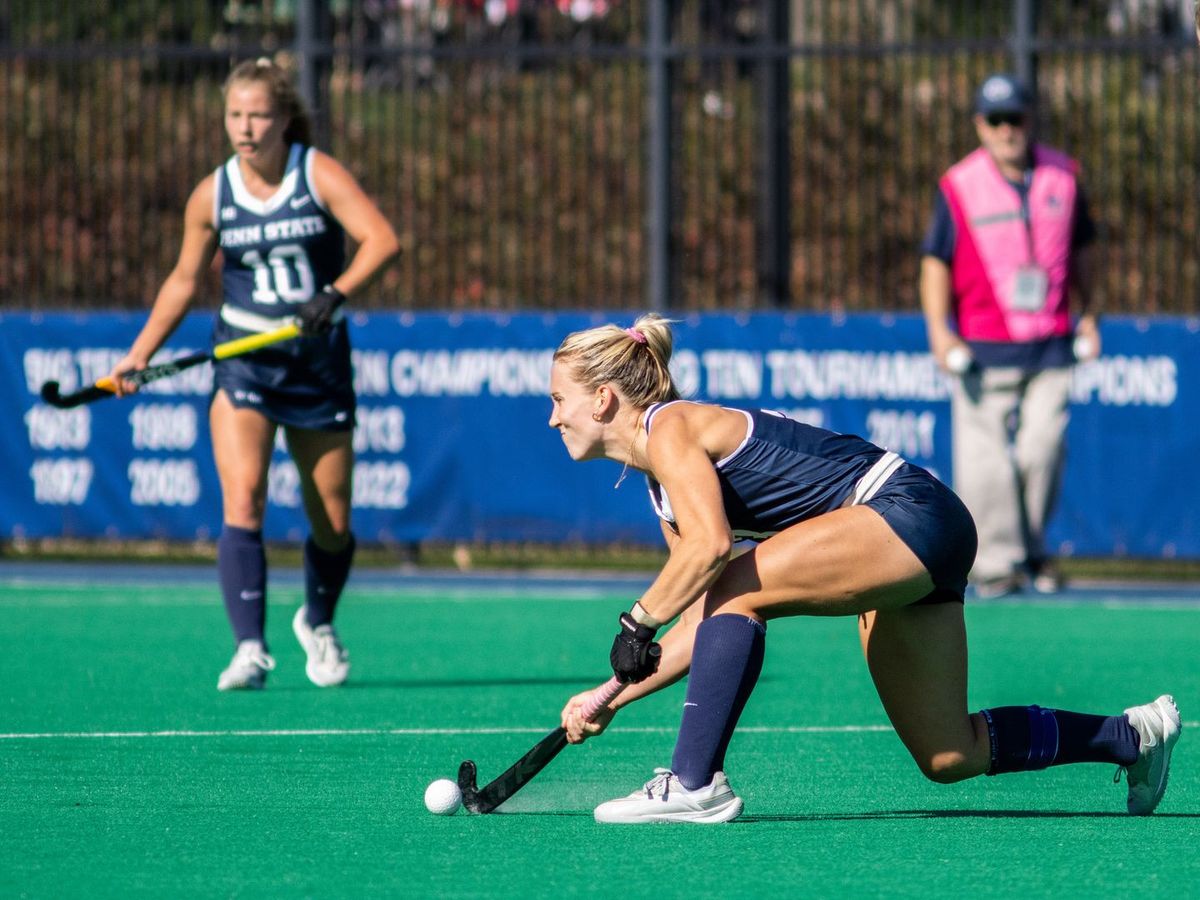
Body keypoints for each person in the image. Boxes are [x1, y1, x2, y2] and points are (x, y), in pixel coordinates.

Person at [553, 313, 1179, 824]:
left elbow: (714, 552)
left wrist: (636, 623)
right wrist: (611, 695)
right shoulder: (663, 489)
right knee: (948, 752)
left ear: (604, 399)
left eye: (561, 400)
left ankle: (694, 783)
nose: (555, 417)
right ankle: (1132, 737)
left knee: (736, 590)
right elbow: (703, 622)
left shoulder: (669, 428)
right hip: (920, 534)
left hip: (904, 511)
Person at [107, 58, 400, 691]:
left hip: (316, 365)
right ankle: (249, 648)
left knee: (333, 522)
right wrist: (139, 353)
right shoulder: (212, 194)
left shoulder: (315, 172)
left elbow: (381, 240)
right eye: (235, 115)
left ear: (283, 117)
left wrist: (336, 293)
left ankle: (317, 622)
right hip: (244, 359)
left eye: (258, 114)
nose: (245, 127)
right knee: (243, 497)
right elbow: (184, 280)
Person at [919, 73, 1101, 599]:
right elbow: (935, 262)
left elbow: (1086, 251)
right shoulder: (959, 184)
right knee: (987, 465)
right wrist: (938, 331)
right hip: (981, 348)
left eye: (1014, 118)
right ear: (980, 125)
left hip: (1050, 344)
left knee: (1041, 452)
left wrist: (1090, 312)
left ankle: (1035, 551)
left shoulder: (1064, 176)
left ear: (1030, 119)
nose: (1006, 129)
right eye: (995, 120)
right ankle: (998, 565)